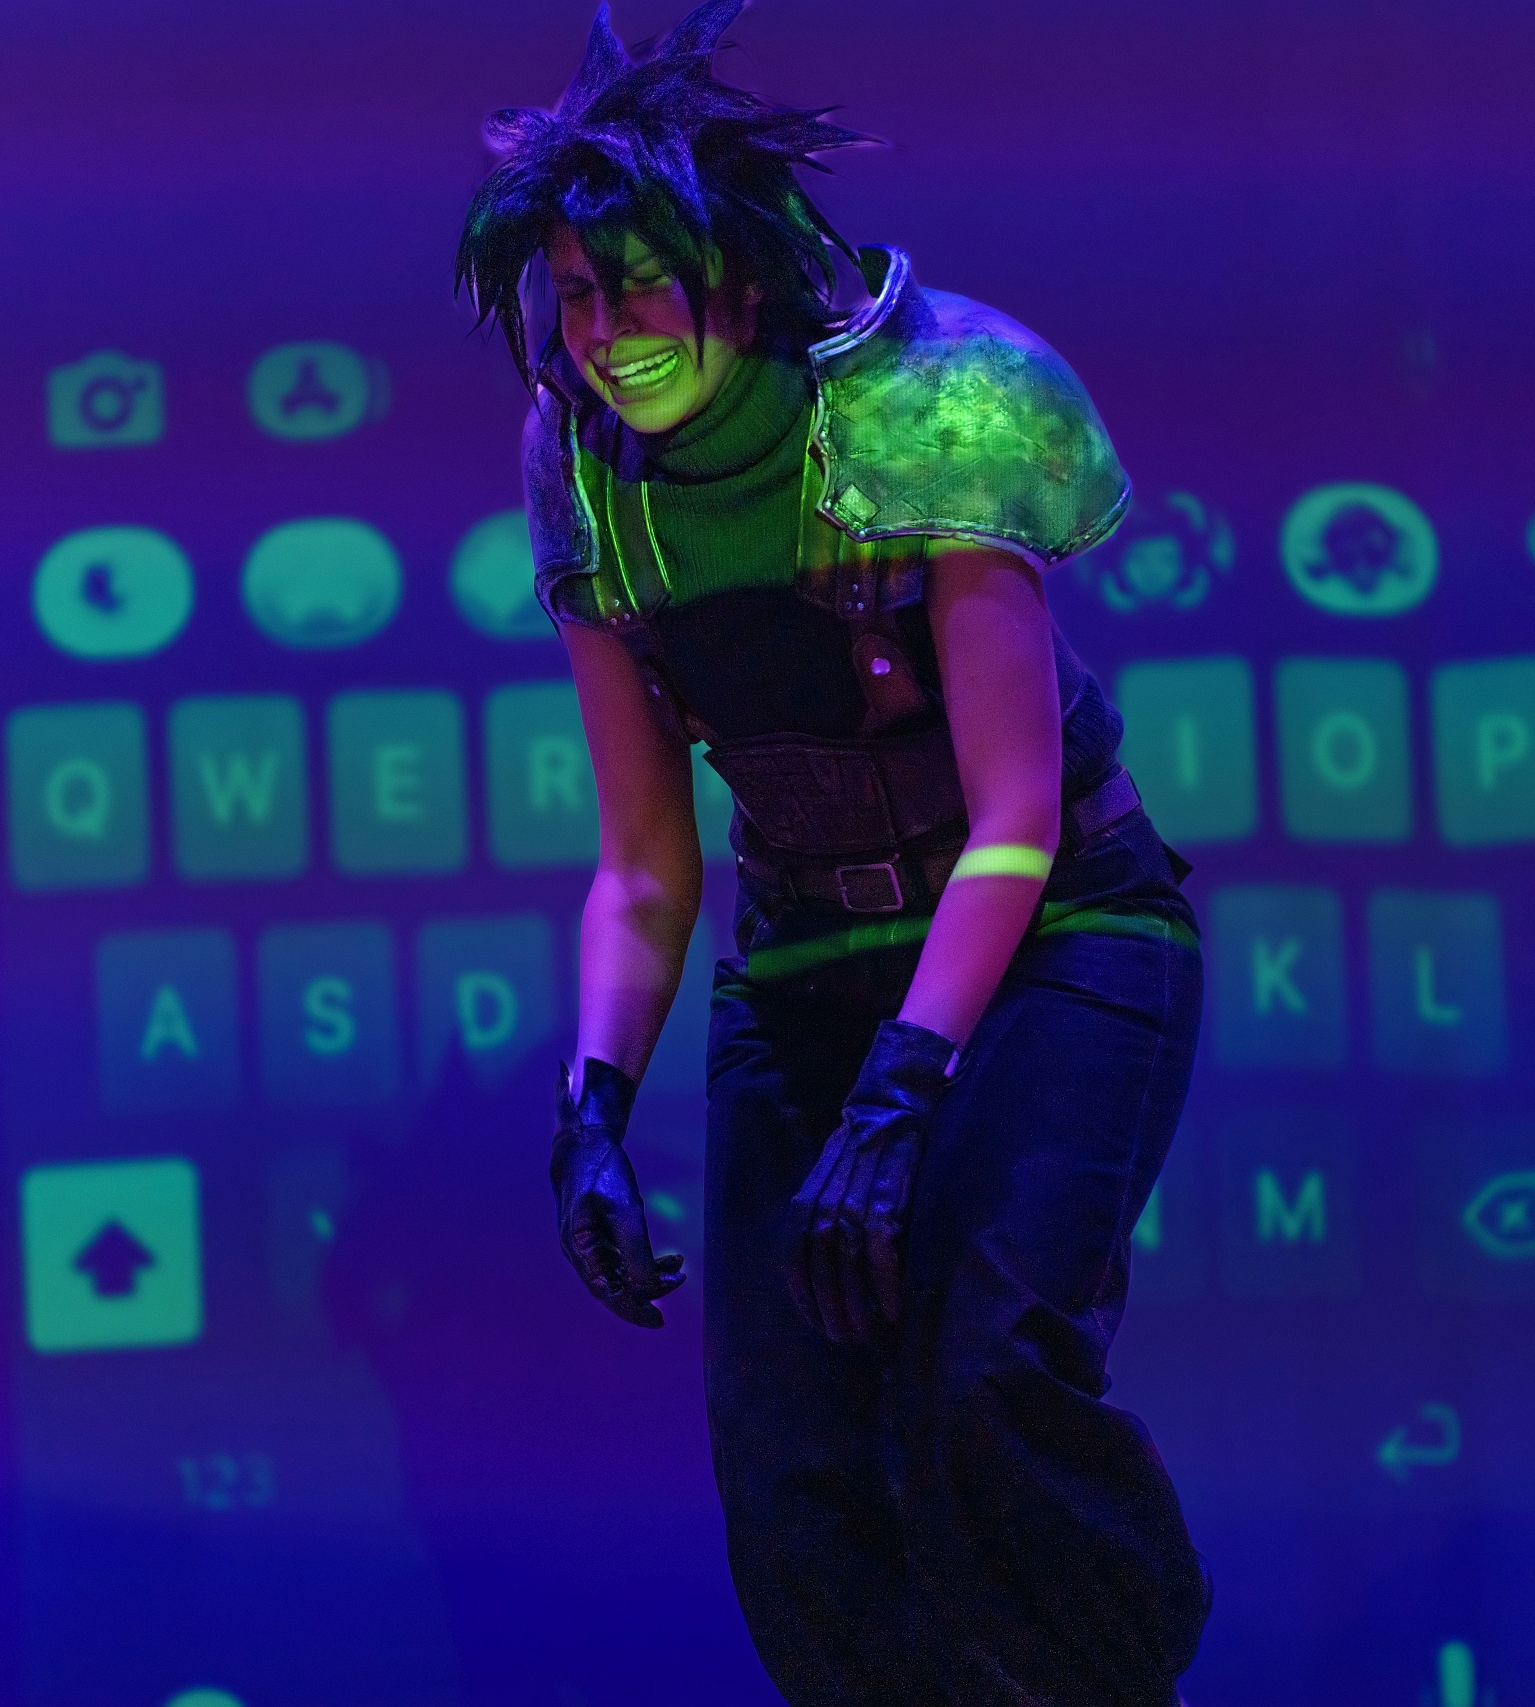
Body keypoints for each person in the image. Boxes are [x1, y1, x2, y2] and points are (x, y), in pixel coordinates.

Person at [457, 5, 1208, 1701]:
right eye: (575, 298)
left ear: (734, 279)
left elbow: (1016, 820)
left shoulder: (924, 400)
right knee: (790, 1472)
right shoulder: (585, 468)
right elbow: (646, 862)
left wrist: (901, 1093)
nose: (607, 335)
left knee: (986, 1373)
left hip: (1058, 937)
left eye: (640, 286)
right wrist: (590, 1113)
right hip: (806, 964)